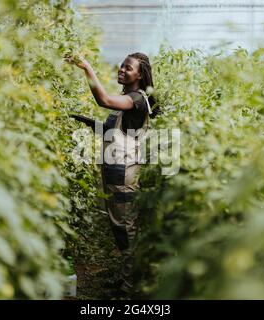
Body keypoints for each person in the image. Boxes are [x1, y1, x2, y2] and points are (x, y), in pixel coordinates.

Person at [66, 52, 158, 294]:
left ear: (140, 74)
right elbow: (112, 131)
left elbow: (103, 100)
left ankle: (131, 288)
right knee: (120, 228)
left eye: (128, 68)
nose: (121, 70)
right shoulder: (127, 98)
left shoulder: (137, 99)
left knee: (126, 229)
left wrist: (87, 68)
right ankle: (126, 280)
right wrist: (86, 122)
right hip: (114, 168)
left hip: (124, 170)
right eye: (121, 66)